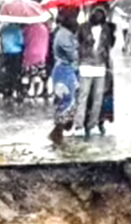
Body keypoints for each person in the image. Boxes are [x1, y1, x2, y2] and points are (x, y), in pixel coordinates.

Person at [46, 10, 84, 147]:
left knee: (66, 100)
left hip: (66, 70)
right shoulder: (63, 35)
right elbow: (72, 54)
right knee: (67, 100)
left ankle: (60, 129)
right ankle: (58, 130)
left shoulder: (64, 33)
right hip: (64, 70)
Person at [74, 8, 113, 137]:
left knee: (98, 97)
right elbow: (77, 44)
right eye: (96, 13)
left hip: (100, 65)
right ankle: (79, 125)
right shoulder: (83, 28)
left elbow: (109, 46)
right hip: (86, 65)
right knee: (83, 96)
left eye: (101, 14)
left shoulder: (106, 29)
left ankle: (93, 124)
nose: (98, 16)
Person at [0, 16, 26, 101]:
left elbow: (1, 41)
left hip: (6, 52)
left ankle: (8, 90)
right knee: (16, 72)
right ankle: (17, 89)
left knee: (8, 71)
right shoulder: (18, 30)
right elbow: (21, 42)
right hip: (17, 53)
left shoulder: (4, 30)